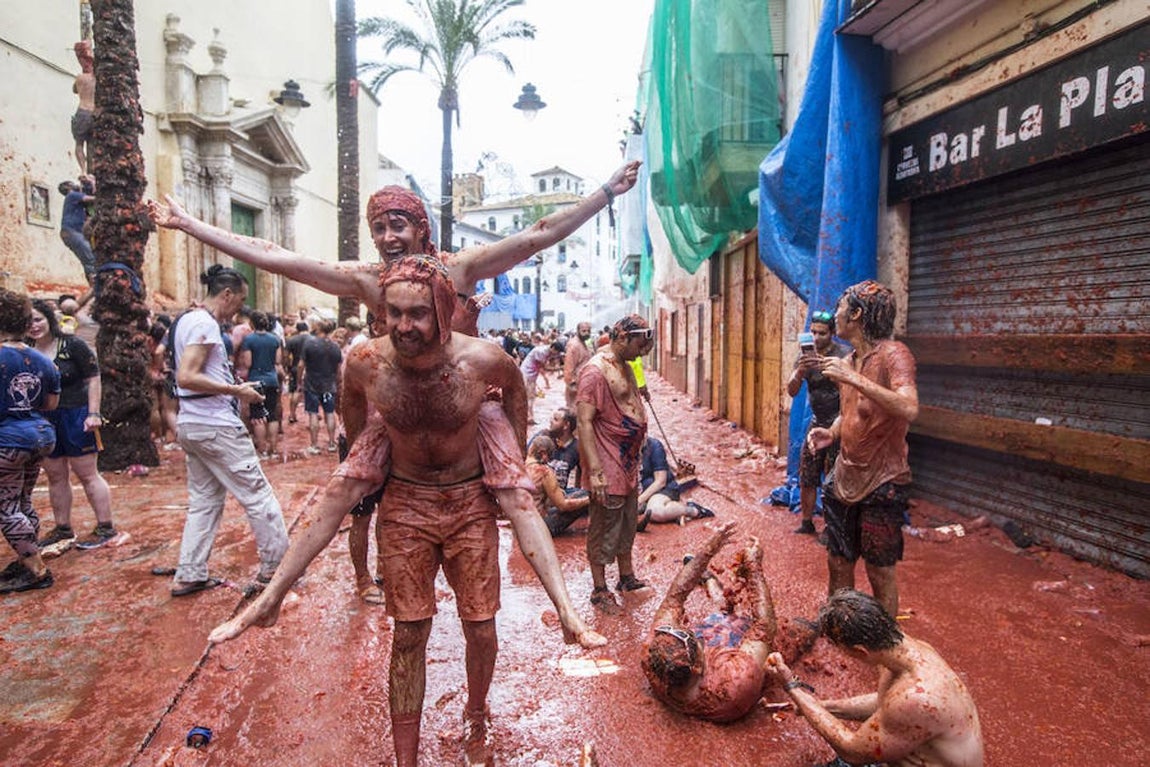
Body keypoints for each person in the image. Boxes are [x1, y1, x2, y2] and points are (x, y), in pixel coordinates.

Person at [149, 160, 641, 604]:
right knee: (349, 497)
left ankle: (563, 612)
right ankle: (325, 587)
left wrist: (605, 192)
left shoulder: (459, 269)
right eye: (378, 228)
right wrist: (191, 225)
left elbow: (538, 233)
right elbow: (277, 256)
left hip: (462, 415)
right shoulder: (368, 280)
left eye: (398, 225)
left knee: (514, 498)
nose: (387, 238)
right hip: (399, 417)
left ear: (421, 227)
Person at [208, 258, 606, 767]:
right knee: (409, 633)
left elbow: (516, 422)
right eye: (393, 313)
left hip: (467, 503)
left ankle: (479, 708)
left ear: (442, 312)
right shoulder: (367, 362)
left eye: (417, 314)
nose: (403, 326)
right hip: (406, 503)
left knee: (481, 626)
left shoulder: (484, 362)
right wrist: (274, 593)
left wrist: (499, 455)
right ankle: (404, 757)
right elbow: (349, 448)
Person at [168, 265, 289, 596]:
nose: (241, 307)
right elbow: (187, 376)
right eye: (240, 299)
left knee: (205, 501)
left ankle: (190, 572)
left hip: (193, 423)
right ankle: (278, 569)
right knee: (258, 495)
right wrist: (237, 392)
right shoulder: (204, 324)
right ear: (226, 294)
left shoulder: (185, 320)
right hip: (215, 424)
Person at [765, 590, 983, 767]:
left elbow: (851, 750)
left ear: (860, 652)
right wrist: (823, 707)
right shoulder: (907, 650)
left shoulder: (915, 698)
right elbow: (885, 703)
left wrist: (791, 686)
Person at [807, 281, 918, 618]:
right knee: (838, 559)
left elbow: (909, 408)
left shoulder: (894, 355)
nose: (836, 315)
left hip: (883, 481)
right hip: (844, 474)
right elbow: (853, 410)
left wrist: (854, 379)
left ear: (855, 314)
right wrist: (831, 432)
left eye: (840, 308)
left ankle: (887, 645)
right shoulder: (850, 359)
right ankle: (840, 625)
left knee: (879, 569)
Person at [643, 522, 808, 723]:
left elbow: (674, 598)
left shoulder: (654, 653)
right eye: (697, 643)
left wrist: (707, 550)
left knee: (720, 616)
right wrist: (753, 566)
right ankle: (712, 585)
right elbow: (765, 626)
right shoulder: (735, 681)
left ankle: (710, 581)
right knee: (802, 630)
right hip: (735, 664)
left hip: (712, 650)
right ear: (697, 667)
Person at [576, 314, 653, 614]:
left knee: (627, 520)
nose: (640, 352)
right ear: (622, 337)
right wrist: (595, 472)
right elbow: (584, 422)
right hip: (607, 460)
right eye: (638, 345)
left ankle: (626, 577)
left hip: (628, 460)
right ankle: (599, 587)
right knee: (604, 523)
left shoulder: (625, 363)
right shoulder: (594, 372)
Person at [27, 300, 117, 549]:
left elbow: (94, 377)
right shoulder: (26, 350)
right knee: (55, 475)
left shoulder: (72, 344)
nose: (34, 326)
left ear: (49, 319)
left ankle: (105, 526)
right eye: (28, 321)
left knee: (87, 474)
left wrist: (94, 413)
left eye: (38, 319)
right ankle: (63, 528)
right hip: (44, 420)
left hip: (77, 415)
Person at [0, 288, 60, 593]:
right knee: (22, 500)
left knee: (7, 506)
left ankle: (36, 569)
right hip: (40, 436)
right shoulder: (43, 360)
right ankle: (27, 558)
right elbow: (50, 404)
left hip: (8, 441)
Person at [786, 309, 851, 536]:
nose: (815, 338)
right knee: (807, 473)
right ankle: (806, 522)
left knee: (834, 477)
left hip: (838, 423)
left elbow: (852, 391)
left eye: (821, 333)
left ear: (832, 334)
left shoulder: (844, 355)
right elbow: (792, 391)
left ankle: (832, 528)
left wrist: (828, 368)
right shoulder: (805, 357)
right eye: (812, 332)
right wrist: (800, 372)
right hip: (817, 420)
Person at [636, 436, 714, 529]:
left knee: (656, 512)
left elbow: (660, 481)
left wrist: (639, 500)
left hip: (660, 489)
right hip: (638, 490)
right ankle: (672, 513)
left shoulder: (653, 445)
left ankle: (693, 510)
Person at [238, 311, 285, 459]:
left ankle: (262, 450)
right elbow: (278, 361)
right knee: (272, 415)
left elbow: (248, 362)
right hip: (272, 379)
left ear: (252, 323)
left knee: (258, 416)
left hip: (256, 380)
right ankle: (273, 448)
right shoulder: (275, 339)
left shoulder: (249, 340)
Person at [527, 435, 591, 537]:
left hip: (520, 526)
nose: (548, 461)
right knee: (587, 495)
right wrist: (589, 500)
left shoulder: (519, 466)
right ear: (543, 453)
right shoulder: (544, 472)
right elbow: (563, 506)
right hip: (539, 528)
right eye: (550, 456)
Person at [298, 320, 342, 455]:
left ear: (319, 329)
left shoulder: (310, 344)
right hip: (329, 385)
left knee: (313, 414)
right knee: (329, 413)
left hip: (312, 384)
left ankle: (314, 444)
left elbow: (301, 365)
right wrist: (338, 382)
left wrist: (299, 380)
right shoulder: (335, 347)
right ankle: (331, 442)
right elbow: (339, 369)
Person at [58, 177, 96, 286]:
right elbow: (92, 199)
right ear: (69, 187)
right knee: (90, 259)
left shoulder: (73, 199)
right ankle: (94, 285)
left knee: (87, 259)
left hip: (70, 233)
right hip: (72, 232)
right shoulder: (72, 195)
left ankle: (92, 284)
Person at [521, 340, 562, 424]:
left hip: (532, 375)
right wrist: (561, 368)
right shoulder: (541, 352)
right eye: (556, 352)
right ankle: (527, 417)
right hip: (526, 373)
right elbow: (546, 368)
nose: (556, 354)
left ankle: (529, 417)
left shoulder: (549, 352)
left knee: (531, 397)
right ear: (552, 348)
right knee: (527, 396)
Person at [71, 41, 95, 175]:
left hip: (82, 112)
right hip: (94, 114)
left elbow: (74, 90)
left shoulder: (80, 78)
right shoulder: (97, 79)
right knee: (91, 145)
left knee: (79, 144)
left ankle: (83, 170)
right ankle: (92, 172)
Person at [283, 320, 311, 423]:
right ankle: (313, 414)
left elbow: (285, 355)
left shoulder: (291, 340)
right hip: (310, 368)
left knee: (296, 390)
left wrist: (286, 367)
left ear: (297, 329)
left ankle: (292, 414)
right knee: (311, 392)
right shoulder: (313, 339)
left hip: (295, 366)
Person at [563, 322, 593, 408]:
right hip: (575, 386)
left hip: (583, 384)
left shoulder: (583, 343)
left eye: (588, 331)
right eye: (583, 331)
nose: (586, 333)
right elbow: (568, 367)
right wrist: (571, 384)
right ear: (578, 331)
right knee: (574, 412)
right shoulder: (574, 345)